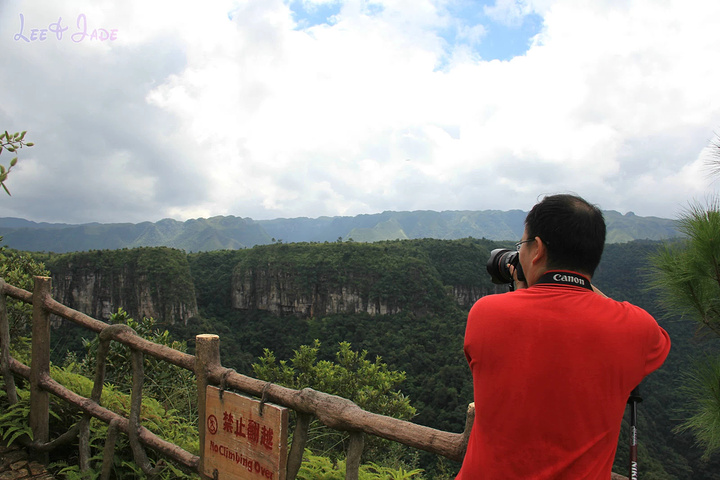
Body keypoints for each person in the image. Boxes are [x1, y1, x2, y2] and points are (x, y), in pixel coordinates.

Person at [456, 194, 671, 479]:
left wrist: (524, 285)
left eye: (522, 245)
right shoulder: (638, 327)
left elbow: (527, 337)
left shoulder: (485, 314)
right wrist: (577, 283)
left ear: (538, 249)